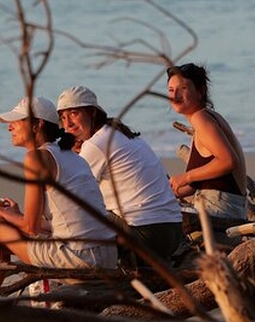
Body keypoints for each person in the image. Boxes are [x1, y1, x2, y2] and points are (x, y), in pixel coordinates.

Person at [0, 96, 117, 291]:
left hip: (80, 260)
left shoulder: (37, 157)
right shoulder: (70, 156)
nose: (9, 128)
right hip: (106, 255)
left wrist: (0, 213)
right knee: (1, 232)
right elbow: (65, 223)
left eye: (16, 122)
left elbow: (31, 228)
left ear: (37, 125)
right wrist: (12, 214)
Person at [56, 86, 183, 267]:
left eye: (74, 113)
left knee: (75, 216)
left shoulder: (96, 144)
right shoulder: (120, 133)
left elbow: (70, 195)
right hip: (172, 232)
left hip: (146, 235)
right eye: (63, 117)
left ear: (92, 113)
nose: (67, 123)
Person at [166, 63, 248, 222]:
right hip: (228, 207)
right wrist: (171, 189)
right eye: (170, 90)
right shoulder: (209, 117)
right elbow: (200, 184)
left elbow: (228, 161)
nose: (175, 95)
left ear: (201, 91)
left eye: (182, 89)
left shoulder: (201, 119)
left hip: (220, 208)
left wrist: (186, 176)